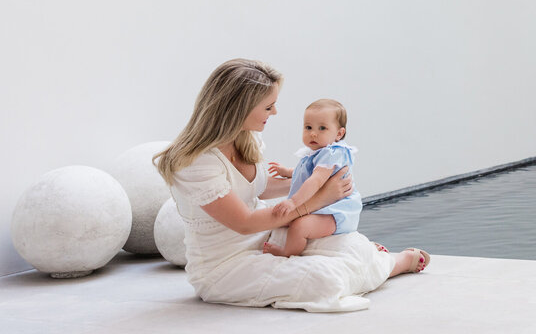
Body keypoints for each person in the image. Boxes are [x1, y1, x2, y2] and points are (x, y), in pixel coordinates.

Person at [154, 58, 430, 312]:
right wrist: (319, 199)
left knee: (351, 245)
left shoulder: (245, 139)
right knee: (325, 280)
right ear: (239, 107)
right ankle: (390, 265)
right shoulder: (195, 162)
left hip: (265, 236)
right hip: (224, 266)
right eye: (267, 106)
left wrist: (315, 183)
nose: (275, 111)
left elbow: (256, 187)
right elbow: (244, 222)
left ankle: (384, 262)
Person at [263, 98, 362, 258]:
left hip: (336, 213)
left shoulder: (332, 153)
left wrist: (293, 202)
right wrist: (287, 172)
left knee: (299, 227)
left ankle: (287, 253)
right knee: (283, 219)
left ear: (339, 133)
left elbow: (316, 179)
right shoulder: (318, 154)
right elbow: (308, 172)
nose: (313, 133)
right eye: (308, 127)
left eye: (322, 128)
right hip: (322, 207)